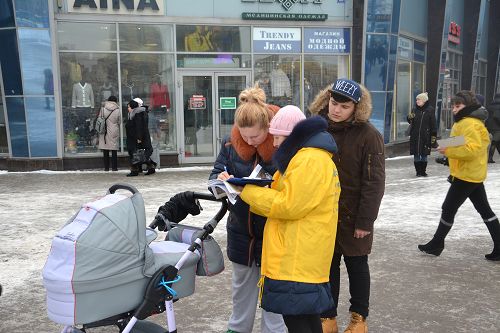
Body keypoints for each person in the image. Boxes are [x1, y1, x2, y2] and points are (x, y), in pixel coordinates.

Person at [237, 106, 340, 333]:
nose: (274, 144)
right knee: (305, 318)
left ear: (293, 136)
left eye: (277, 137)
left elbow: (288, 205)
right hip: (301, 254)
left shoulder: (309, 160)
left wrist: (246, 191)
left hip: (297, 257)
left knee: (297, 321)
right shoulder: (309, 158)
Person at [309, 78, 386, 333]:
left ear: (356, 107)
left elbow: (374, 183)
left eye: (344, 106)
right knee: (327, 268)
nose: (336, 110)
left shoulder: (369, 136)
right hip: (324, 215)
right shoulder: (318, 129)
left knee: (357, 267)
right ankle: (327, 318)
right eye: (333, 103)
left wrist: (365, 221)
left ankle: (358, 320)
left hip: (355, 216)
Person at [209, 85, 286, 333]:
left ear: (269, 128)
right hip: (241, 229)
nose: (250, 141)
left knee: (274, 291)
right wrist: (221, 182)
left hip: (273, 232)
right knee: (241, 289)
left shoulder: (283, 145)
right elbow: (213, 177)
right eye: (245, 136)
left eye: (256, 137)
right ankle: (238, 329)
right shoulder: (230, 144)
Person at [418, 90, 500, 261]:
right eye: (453, 106)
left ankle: (437, 243)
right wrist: (444, 145)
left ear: (468, 106)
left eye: (458, 106)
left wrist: (448, 150)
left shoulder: (468, 123)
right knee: (484, 210)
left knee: (448, 208)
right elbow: (463, 140)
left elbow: (473, 149)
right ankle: (499, 246)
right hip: (471, 173)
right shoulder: (469, 122)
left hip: (466, 175)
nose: (454, 109)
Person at [407, 92, 437, 177]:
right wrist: (409, 117)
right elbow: (409, 120)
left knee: (424, 155)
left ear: (424, 100)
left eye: (418, 99)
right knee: (416, 155)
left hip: (425, 137)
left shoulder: (430, 110)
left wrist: (433, 137)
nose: (417, 101)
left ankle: (423, 171)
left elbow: (433, 125)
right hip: (415, 136)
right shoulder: (414, 109)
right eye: (416, 100)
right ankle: (418, 172)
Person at [125, 99, 155, 177]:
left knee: (135, 154)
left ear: (133, 107)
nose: (128, 109)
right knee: (141, 155)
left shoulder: (138, 114)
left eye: (129, 107)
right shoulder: (135, 113)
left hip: (137, 138)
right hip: (137, 137)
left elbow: (139, 127)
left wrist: (139, 138)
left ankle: (134, 170)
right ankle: (150, 168)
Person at [98, 95, 120, 171]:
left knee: (105, 149)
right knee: (114, 150)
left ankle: (106, 168)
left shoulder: (103, 109)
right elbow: (119, 121)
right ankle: (114, 167)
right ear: (116, 101)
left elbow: (99, 119)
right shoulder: (117, 110)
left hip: (104, 130)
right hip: (113, 130)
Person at [486, 93, 500, 163]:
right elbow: (497, 116)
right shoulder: (499, 106)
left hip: (490, 126)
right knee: (494, 142)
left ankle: (490, 158)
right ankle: (489, 158)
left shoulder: (490, 105)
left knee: (497, 142)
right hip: (497, 127)